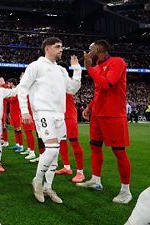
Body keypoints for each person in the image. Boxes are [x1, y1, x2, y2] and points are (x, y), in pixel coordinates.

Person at [18, 37, 81, 204]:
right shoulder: (35, 66)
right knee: (52, 150)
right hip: (43, 112)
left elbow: (72, 89)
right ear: (47, 49)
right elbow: (22, 89)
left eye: (61, 46)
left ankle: (48, 187)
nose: (61, 49)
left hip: (60, 114)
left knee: (55, 155)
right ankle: (37, 181)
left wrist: (77, 70)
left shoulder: (61, 70)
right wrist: (24, 111)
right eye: (57, 46)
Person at [77, 40, 132, 204]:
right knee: (95, 147)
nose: (88, 52)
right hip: (98, 116)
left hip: (114, 115)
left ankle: (125, 191)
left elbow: (107, 84)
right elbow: (99, 92)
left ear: (99, 49)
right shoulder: (98, 68)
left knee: (119, 152)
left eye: (90, 49)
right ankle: (96, 180)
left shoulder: (117, 62)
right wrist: (89, 107)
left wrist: (89, 69)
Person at [54, 61, 85, 183]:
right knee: (61, 142)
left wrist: (77, 68)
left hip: (69, 116)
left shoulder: (70, 81)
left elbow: (73, 89)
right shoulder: (54, 82)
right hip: (59, 116)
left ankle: (80, 172)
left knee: (74, 142)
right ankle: (67, 167)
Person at [6, 78, 24, 152]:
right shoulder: (12, 91)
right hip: (13, 112)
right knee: (15, 129)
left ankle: (21, 146)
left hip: (16, 112)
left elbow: (11, 100)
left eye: (8, 83)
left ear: (12, 83)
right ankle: (17, 144)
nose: (7, 85)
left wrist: (4, 97)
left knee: (18, 129)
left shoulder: (17, 90)